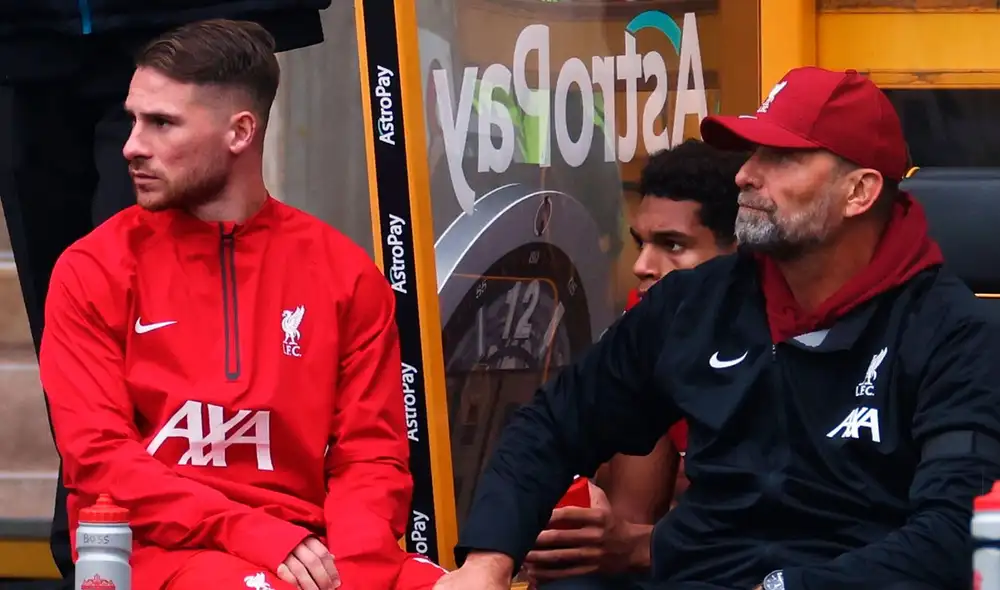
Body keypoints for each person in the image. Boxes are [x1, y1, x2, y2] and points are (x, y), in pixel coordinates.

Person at [434, 66, 1000, 590]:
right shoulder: (698, 302)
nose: (747, 174)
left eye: (780, 157)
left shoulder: (952, 332)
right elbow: (555, 423)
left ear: (860, 192)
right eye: (753, 152)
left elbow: (957, 533)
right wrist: (486, 561)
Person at [38, 19, 446, 590]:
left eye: (161, 124)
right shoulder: (92, 269)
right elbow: (101, 461)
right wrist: (256, 535)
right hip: (163, 552)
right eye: (133, 120)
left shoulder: (343, 272)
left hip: (313, 552)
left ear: (240, 132)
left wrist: (357, 573)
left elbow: (371, 461)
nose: (132, 146)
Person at [0, 2, 330, 583]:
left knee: (168, 309)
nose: (136, 146)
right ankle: (95, 557)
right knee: (74, 333)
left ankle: (212, 540)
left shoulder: (341, 273)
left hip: (174, 20)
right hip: (24, 43)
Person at [526, 139, 746, 589]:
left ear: (739, 253)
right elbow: (631, 516)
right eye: (640, 243)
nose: (643, 265)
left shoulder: (778, 335)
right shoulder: (647, 319)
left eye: (673, 245)